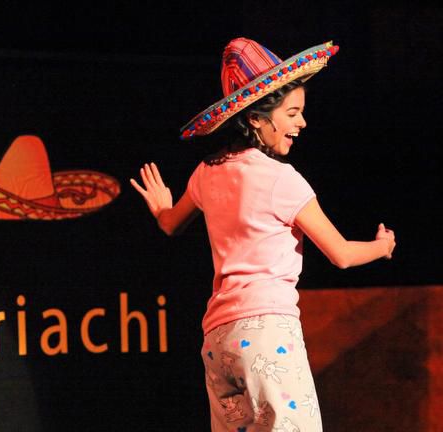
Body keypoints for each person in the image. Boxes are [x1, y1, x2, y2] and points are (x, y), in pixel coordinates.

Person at [130, 37, 396, 432]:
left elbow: (171, 223)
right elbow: (340, 254)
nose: (301, 123)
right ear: (256, 118)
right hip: (268, 334)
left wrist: (161, 207)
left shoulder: (207, 172)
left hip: (218, 341)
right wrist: (381, 246)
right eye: (292, 113)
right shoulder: (282, 181)